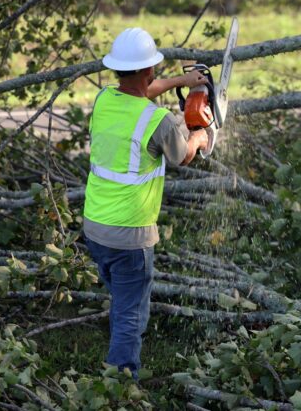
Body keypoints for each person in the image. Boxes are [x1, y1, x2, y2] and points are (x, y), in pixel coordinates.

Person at [82, 27, 208, 378]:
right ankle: (120, 383)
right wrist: (199, 135)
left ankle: (121, 359)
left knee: (125, 301)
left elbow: (145, 90)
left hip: (95, 227)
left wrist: (183, 80)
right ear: (149, 69)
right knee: (129, 315)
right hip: (130, 237)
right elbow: (183, 156)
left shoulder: (104, 99)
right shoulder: (157, 120)